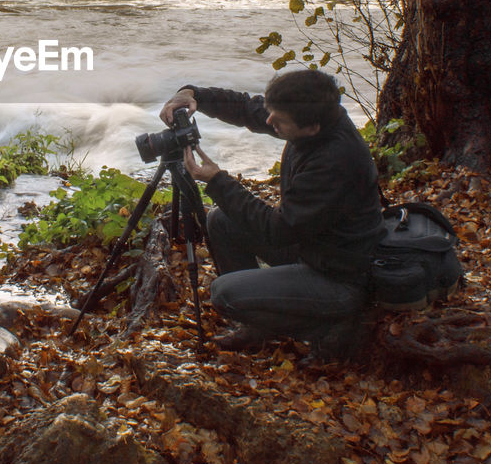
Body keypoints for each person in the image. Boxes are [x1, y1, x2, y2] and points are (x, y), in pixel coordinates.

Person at [158, 69, 385, 355]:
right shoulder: (315, 115)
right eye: (271, 112)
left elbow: (277, 229)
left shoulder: (334, 160)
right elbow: (246, 108)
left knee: (225, 293)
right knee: (221, 220)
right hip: (312, 246)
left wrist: (217, 181)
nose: (268, 122)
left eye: (278, 120)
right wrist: (194, 95)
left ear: (312, 128)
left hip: (339, 276)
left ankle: (332, 331)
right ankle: (257, 325)